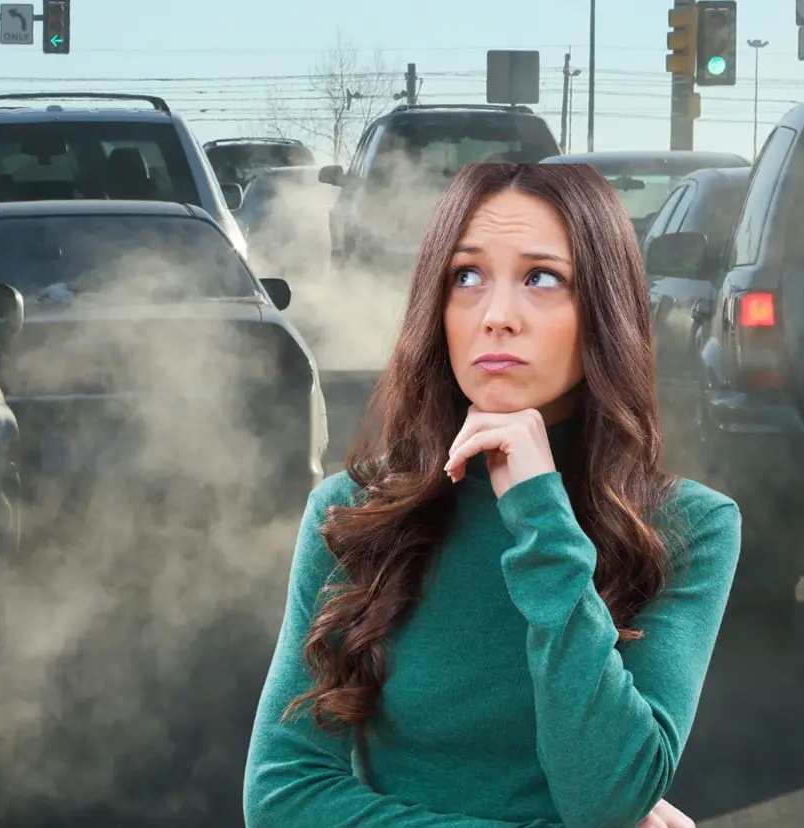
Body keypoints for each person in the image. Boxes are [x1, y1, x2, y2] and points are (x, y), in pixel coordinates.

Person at [242, 163, 740, 828]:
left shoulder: (688, 527)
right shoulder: (353, 514)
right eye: (466, 277)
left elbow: (609, 796)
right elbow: (282, 796)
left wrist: (540, 513)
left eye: (542, 278)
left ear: (604, 310)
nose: (496, 317)